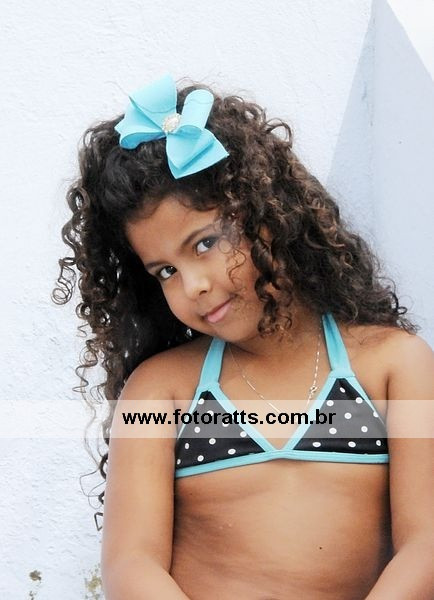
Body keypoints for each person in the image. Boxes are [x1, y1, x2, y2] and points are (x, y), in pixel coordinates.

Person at [53, 74, 434, 599]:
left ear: (269, 216)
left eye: (205, 243)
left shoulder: (392, 365)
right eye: (165, 271)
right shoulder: (161, 391)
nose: (193, 285)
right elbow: (131, 563)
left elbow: (425, 545)